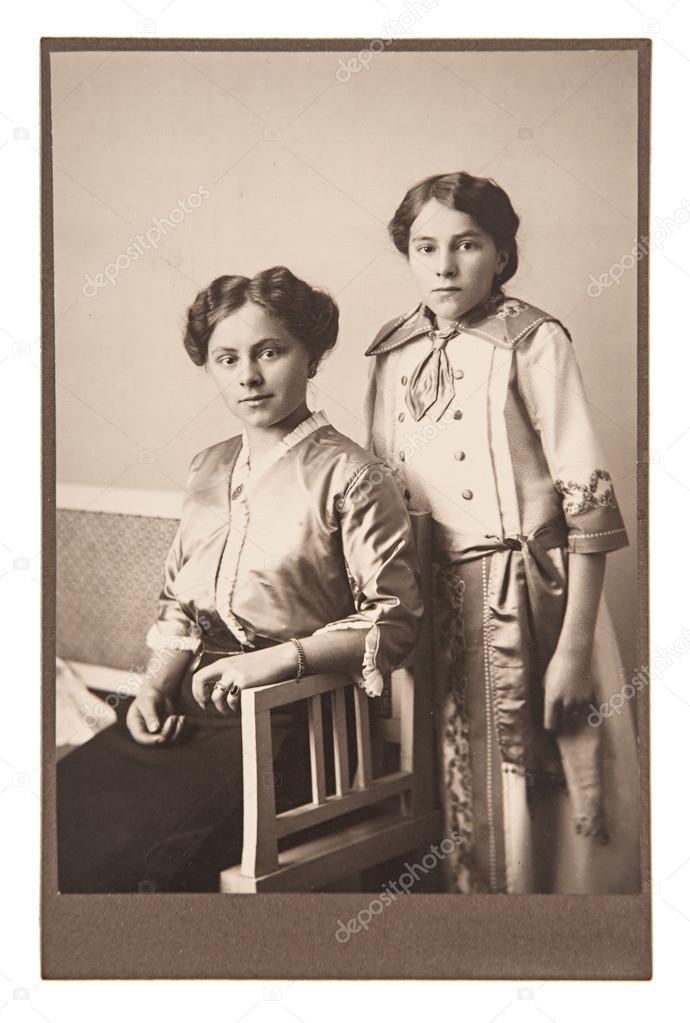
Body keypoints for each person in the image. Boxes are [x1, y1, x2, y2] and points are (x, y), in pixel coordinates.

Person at [57, 266, 422, 893]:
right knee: (53, 824)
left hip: (293, 723)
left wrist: (272, 663)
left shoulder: (354, 475)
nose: (248, 376)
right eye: (227, 359)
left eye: (270, 352)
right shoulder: (208, 467)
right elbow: (179, 604)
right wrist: (151, 688)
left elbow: (393, 619)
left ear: (312, 356)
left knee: (122, 865)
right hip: (189, 704)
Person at [364, 171, 640, 894]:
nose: (445, 265)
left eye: (467, 244)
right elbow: (383, 498)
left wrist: (574, 647)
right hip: (436, 604)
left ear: (502, 254)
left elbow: (588, 500)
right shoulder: (391, 353)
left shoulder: (533, 341)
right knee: (457, 788)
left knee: (542, 792)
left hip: (538, 602)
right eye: (426, 247)